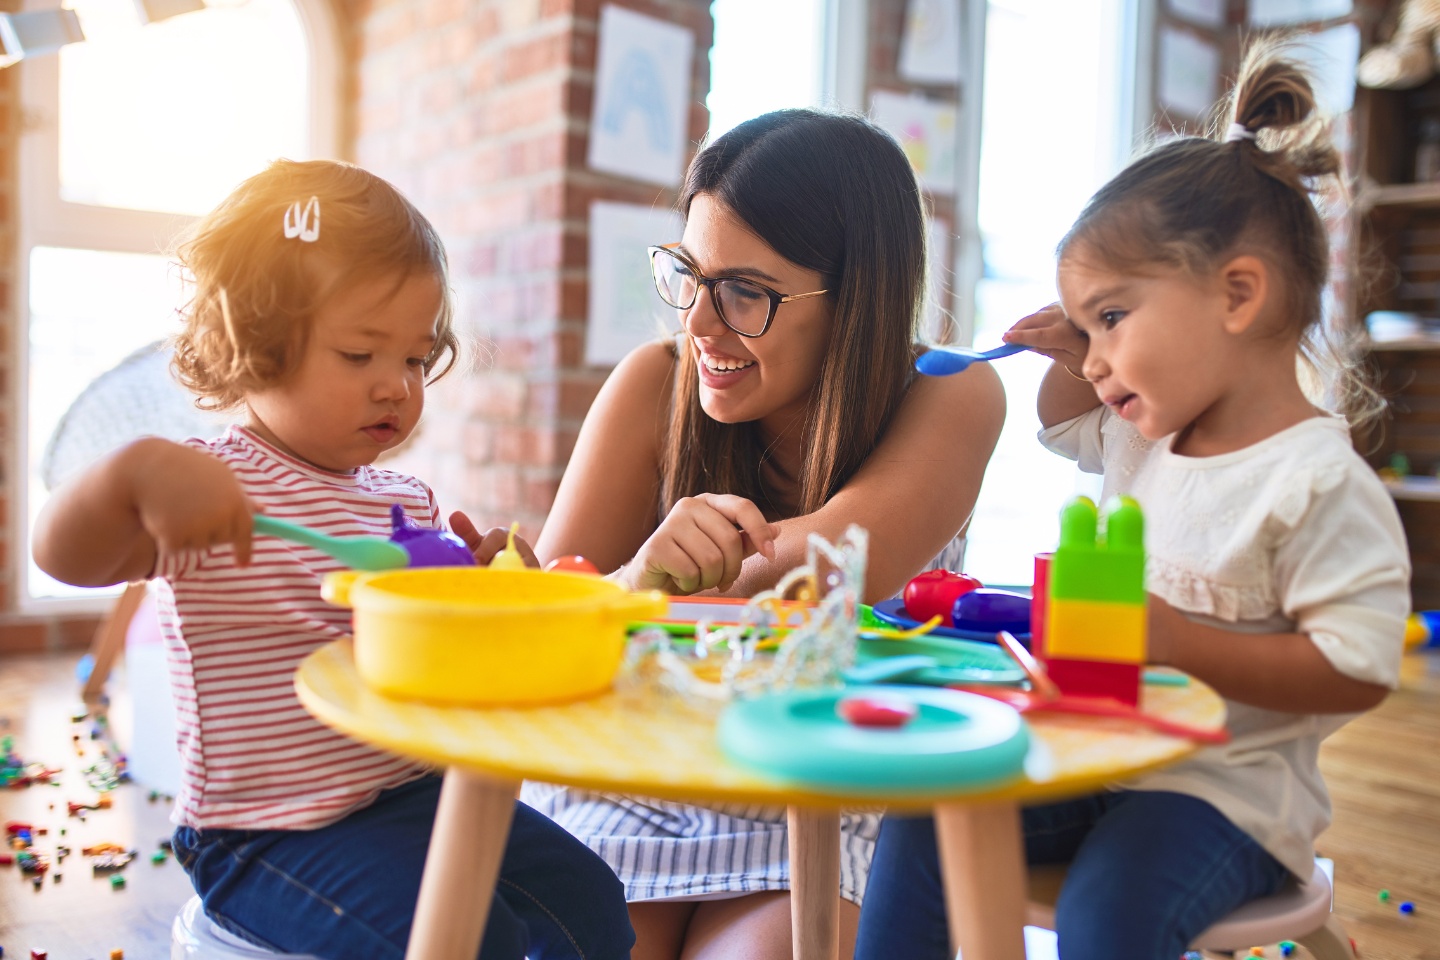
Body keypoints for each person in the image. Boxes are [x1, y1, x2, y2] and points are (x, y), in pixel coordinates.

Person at [854, 44, 1411, 960]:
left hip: (1225, 797)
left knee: (1109, 909)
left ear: (1237, 294)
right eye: (1086, 325)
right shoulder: (1148, 436)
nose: (1096, 351)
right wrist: (1080, 349)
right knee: (927, 815)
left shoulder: (1314, 480)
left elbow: (1356, 669)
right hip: (1097, 756)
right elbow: (1062, 422)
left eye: (1113, 316)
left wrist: (1181, 642)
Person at [31, 159, 633, 960]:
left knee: (592, 905)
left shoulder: (405, 503)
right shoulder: (211, 488)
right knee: (471, 940)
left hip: (416, 797)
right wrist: (132, 474)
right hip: (267, 836)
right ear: (255, 342)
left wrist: (494, 589)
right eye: (360, 355)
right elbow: (62, 554)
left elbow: (447, 650)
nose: (396, 386)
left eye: (417, 360)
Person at [528, 110, 1005, 960]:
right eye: (690, 275)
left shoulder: (951, 392)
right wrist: (638, 573)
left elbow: (836, 561)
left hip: (829, 792)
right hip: (636, 773)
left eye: (745, 292)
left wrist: (672, 580)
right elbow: (543, 623)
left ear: (855, 299)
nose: (702, 324)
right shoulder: (653, 386)